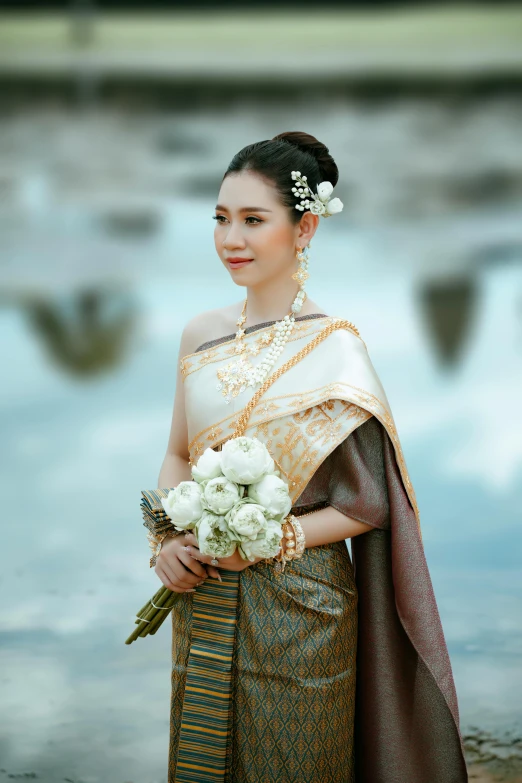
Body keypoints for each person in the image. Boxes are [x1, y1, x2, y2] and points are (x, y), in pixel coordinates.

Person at [155, 131, 468, 783]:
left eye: (252, 220)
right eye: (220, 218)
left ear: (305, 228)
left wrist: (267, 540)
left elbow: (368, 503)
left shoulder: (336, 350)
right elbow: (178, 455)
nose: (230, 239)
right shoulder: (200, 334)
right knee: (204, 758)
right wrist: (166, 540)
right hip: (207, 590)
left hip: (303, 606)